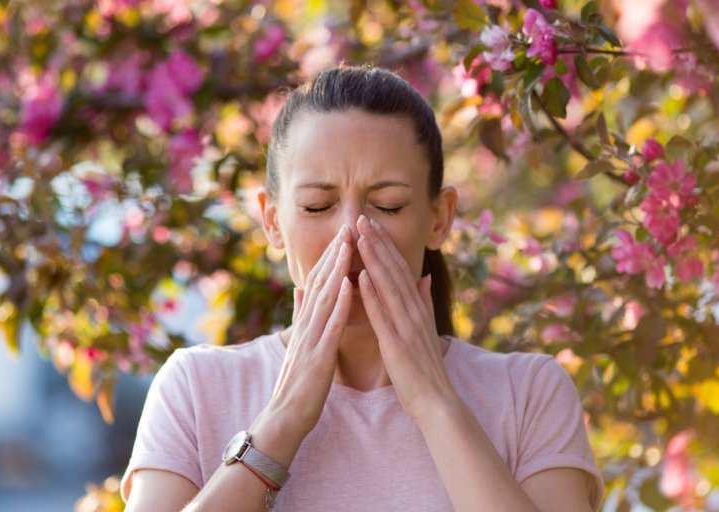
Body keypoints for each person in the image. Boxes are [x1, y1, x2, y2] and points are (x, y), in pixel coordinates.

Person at [121, 66, 603, 511]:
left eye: (388, 206)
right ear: (272, 221)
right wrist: (283, 421)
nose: (350, 232)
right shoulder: (195, 387)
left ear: (439, 219)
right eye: (315, 206)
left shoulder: (527, 393)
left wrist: (435, 403)